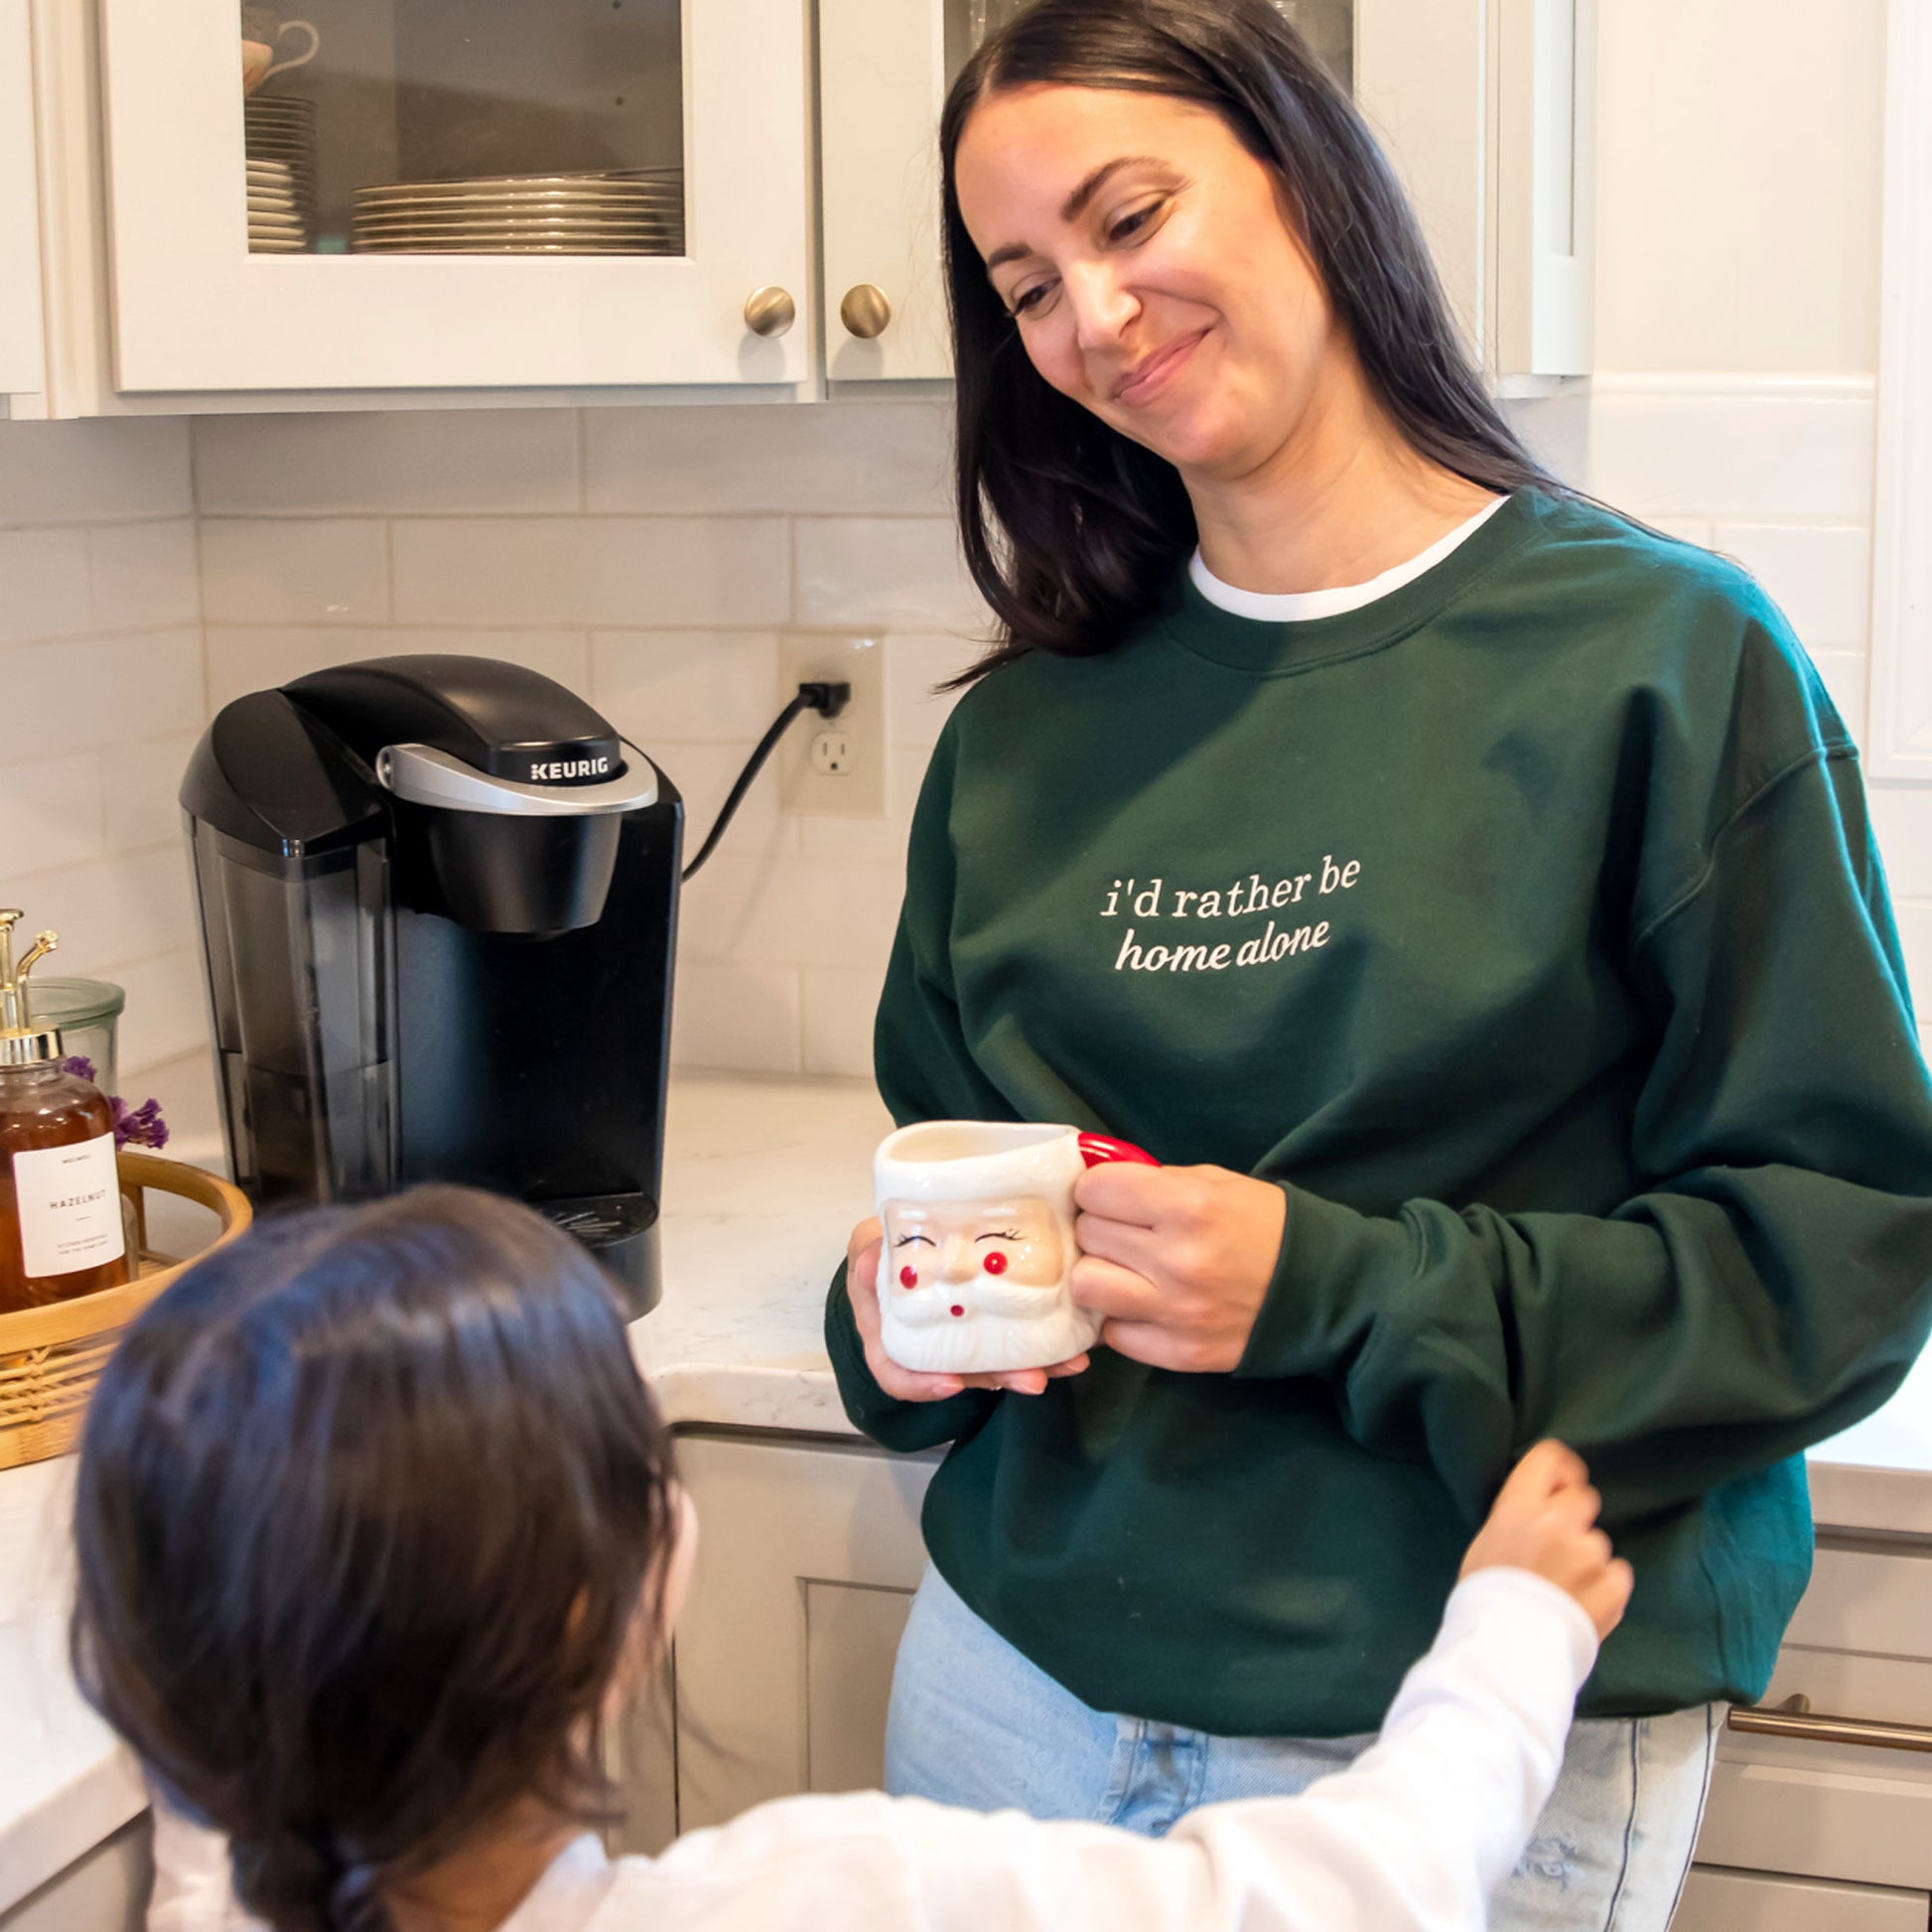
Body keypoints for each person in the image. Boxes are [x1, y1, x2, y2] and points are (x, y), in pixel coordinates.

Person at [822, 1, 1932, 1925]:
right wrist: (899, 1322)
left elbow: (1835, 1260)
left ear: (1302, 171)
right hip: (1009, 1709)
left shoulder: (1667, 665)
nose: (1088, 310)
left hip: (1457, 1734)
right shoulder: (1019, 743)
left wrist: (1330, 1286)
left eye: (1127, 214)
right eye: (1022, 281)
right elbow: (939, 1181)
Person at [80, 1187, 1629, 1932]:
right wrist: (1509, 1633)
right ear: (602, 1607)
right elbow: (1354, 1894)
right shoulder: (821, 1896)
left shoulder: (212, 1899)